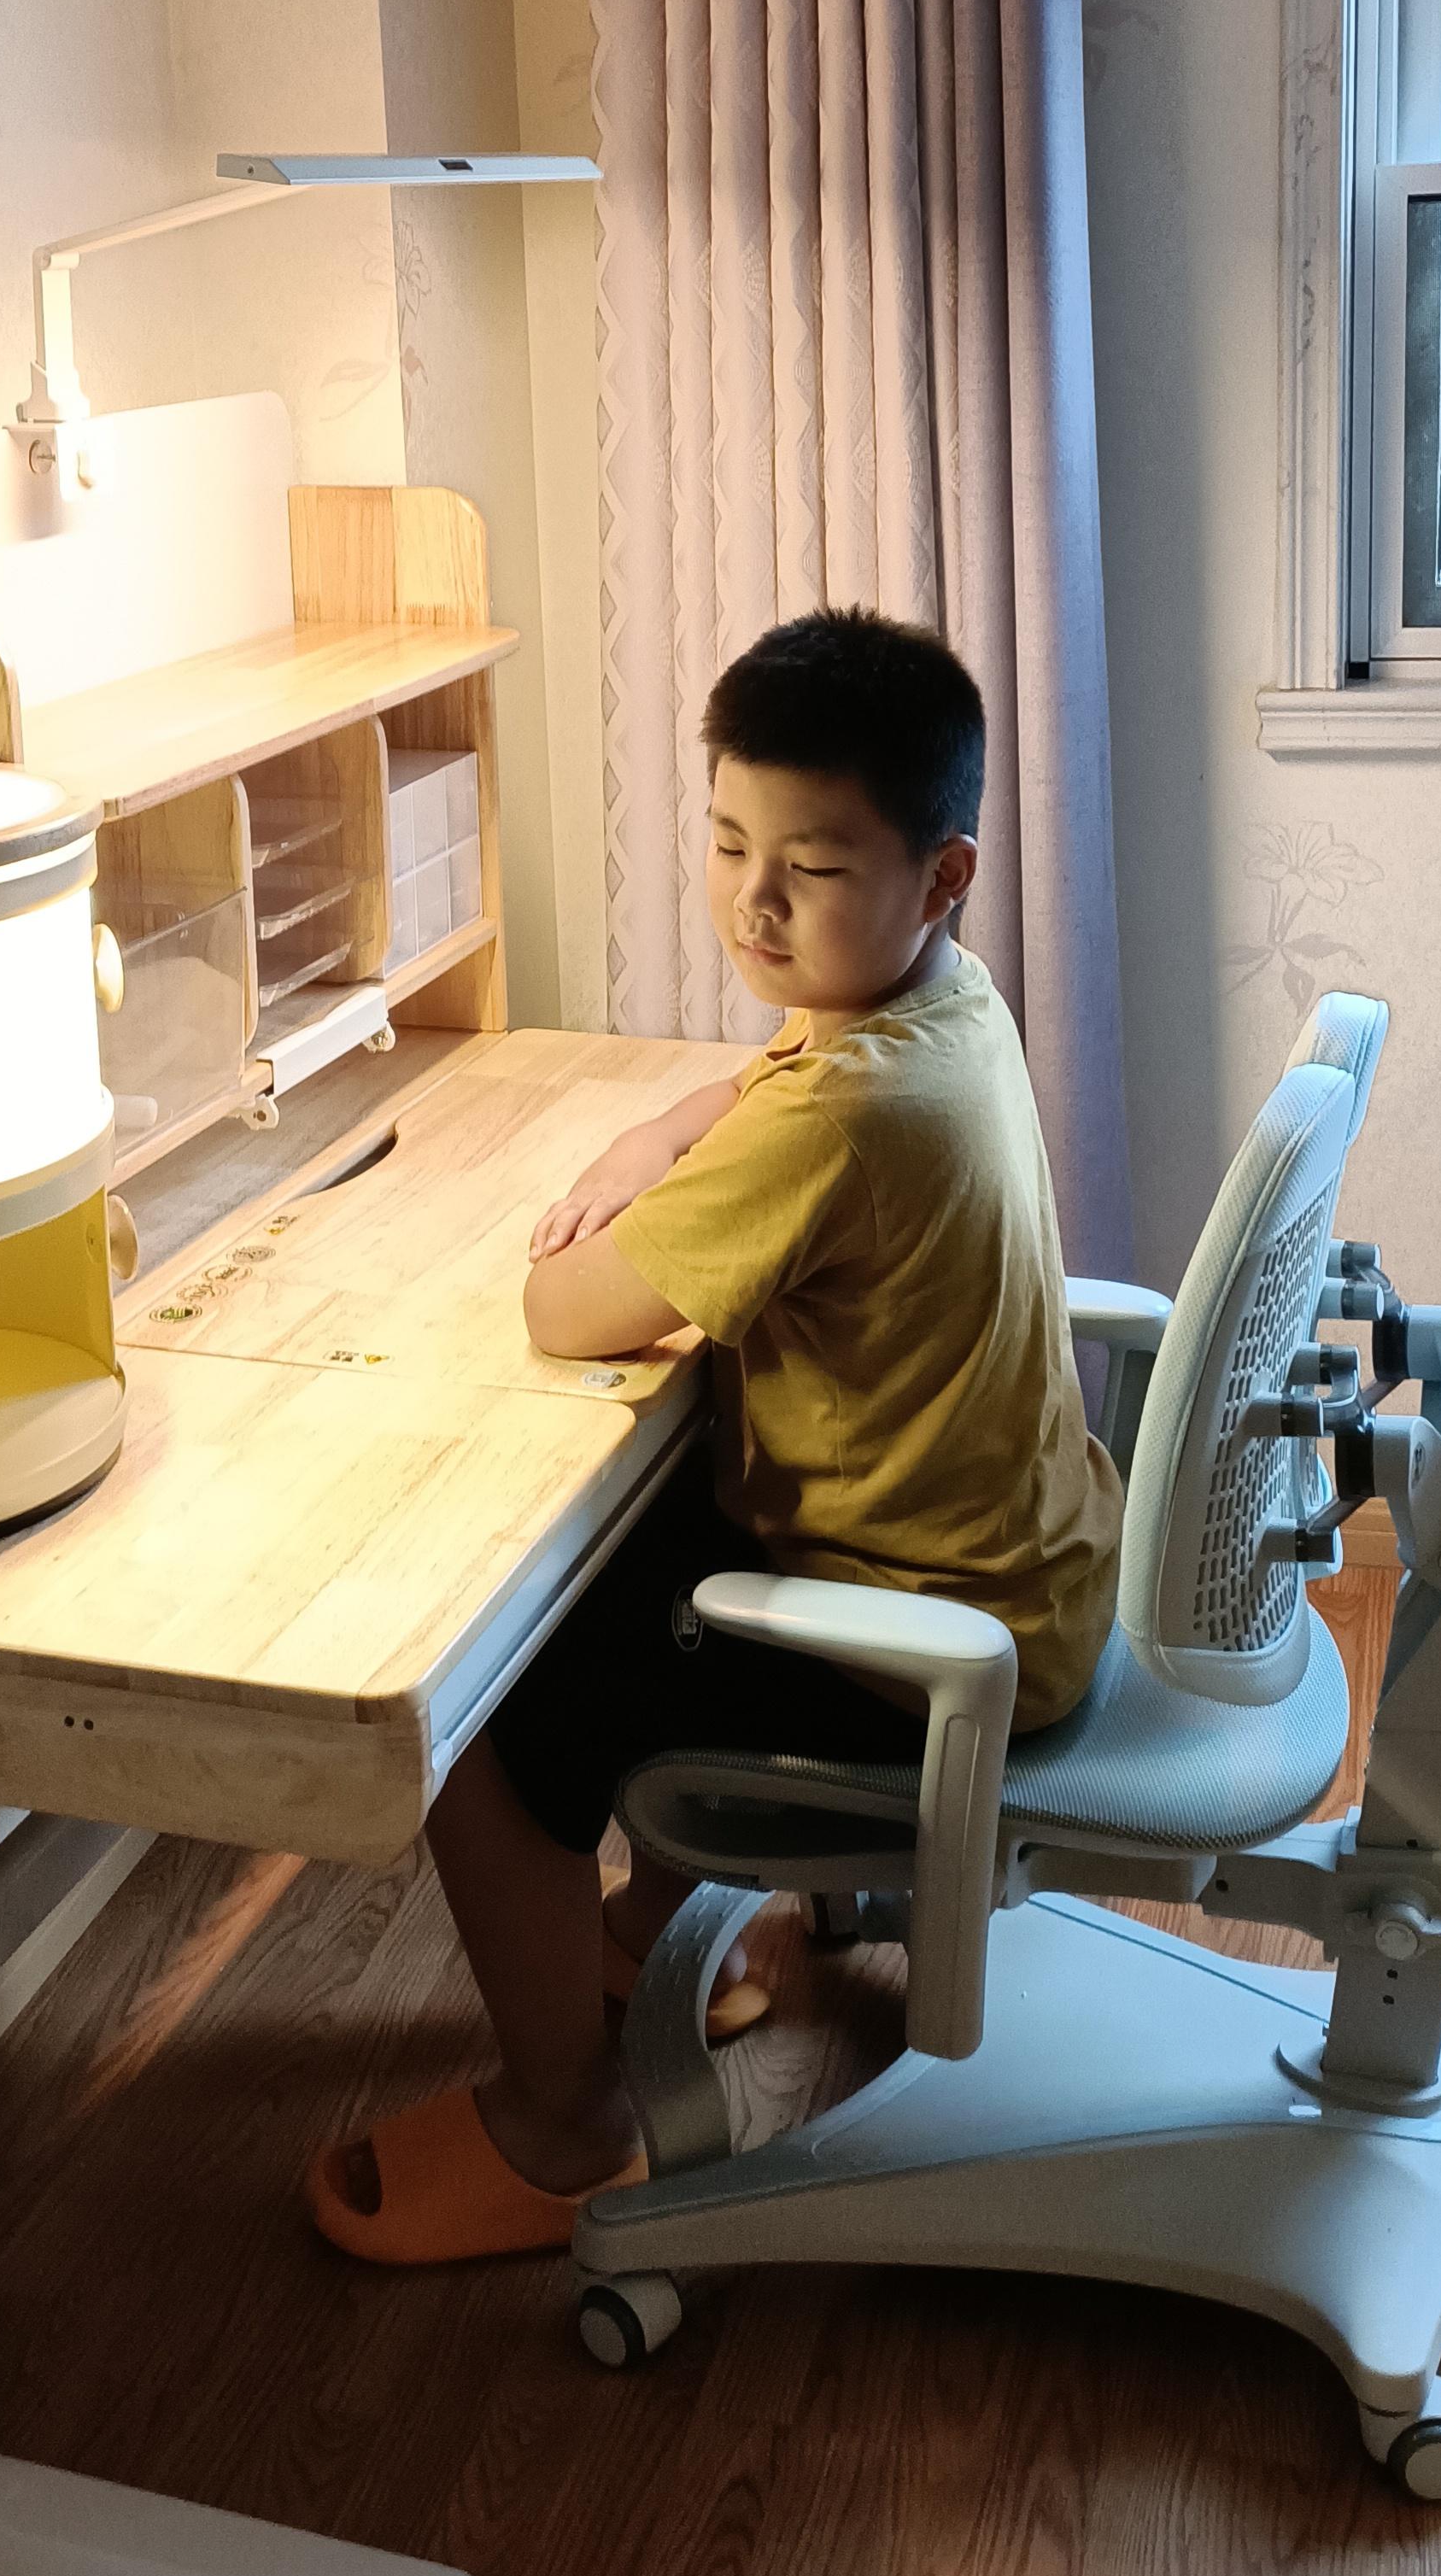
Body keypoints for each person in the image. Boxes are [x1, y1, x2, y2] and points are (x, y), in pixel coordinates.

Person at [309, 606, 1119, 2263]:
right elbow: (774, 1078)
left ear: (941, 873)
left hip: (924, 1653)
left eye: (808, 868)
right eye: (727, 841)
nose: (752, 901)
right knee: (647, 1530)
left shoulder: (847, 1115)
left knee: (477, 1692)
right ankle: (673, 1931)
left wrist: (618, 1208)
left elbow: (566, 1311)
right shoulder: (941, 1005)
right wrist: (658, 1135)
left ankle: (565, 2122)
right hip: (1015, 1577)